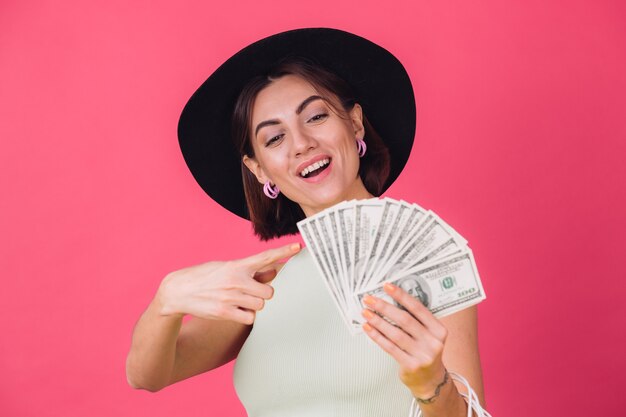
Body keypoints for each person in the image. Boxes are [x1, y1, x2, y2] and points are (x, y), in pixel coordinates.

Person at [126, 28, 488, 417]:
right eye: (274, 139)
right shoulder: (267, 287)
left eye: (315, 116)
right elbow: (147, 375)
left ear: (356, 124)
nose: (301, 143)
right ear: (259, 169)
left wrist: (431, 386)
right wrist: (166, 301)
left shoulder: (425, 254)